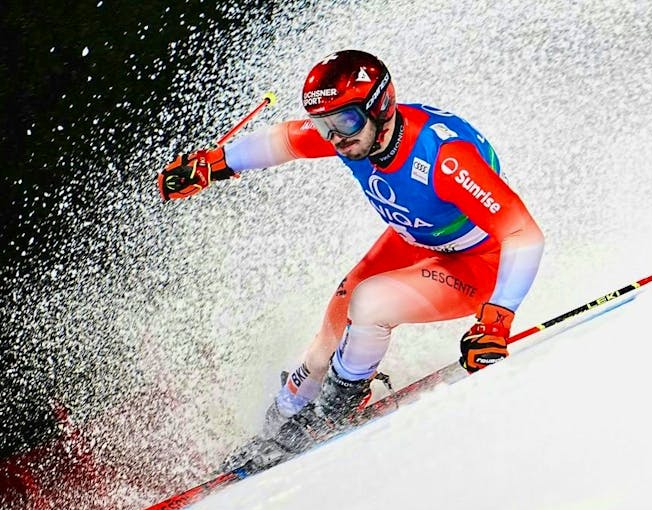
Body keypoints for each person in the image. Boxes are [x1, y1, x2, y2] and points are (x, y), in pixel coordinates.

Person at [157, 50, 544, 463]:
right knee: (331, 331)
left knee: (370, 304)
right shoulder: (354, 134)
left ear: (381, 105)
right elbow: (285, 139)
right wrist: (212, 165)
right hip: (414, 238)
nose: (337, 137)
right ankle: (279, 421)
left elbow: (523, 233)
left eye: (344, 122)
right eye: (326, 126)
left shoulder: (443, 159)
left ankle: (334, 411)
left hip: (478, 262)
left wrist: (497, 320)